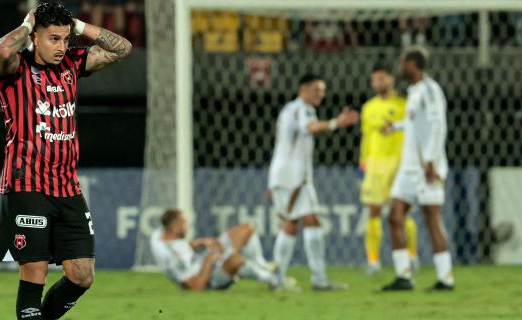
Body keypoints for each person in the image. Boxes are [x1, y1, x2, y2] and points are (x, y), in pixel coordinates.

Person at [0, 2, 132, 320]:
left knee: (82, 275)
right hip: (25, 185)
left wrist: (79, 27)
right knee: (34, 271)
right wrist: (27, 23)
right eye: (53, 38)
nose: (60, 45)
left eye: (64, 39)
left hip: (67, 187)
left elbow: (123, 48)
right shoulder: (15, 69)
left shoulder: (72, 64)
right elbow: (3, 51)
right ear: (34, 36)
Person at [268, 73, 359, 291]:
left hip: (286, 176)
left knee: (291, 224)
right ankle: (315, 279)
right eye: (317, 90)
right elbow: (310, 127)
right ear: (303, 89)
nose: (322, 94)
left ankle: (278, 278)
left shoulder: (295, 109)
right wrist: (337, 122)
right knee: (309, 222)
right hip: (292, 177)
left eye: (323, 90)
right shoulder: (300, 109)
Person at [382, 47, 454, 292]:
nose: (400, 67)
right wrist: (397, 126)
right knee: (394, 216)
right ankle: (404, 276)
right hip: (409, 167)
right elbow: (417, 124)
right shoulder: (414, 92)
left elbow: (438, 126)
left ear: (413, 64)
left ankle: (446, 278)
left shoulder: (431, 90)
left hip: (427, 166)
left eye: (403, 62)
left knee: (431, 219)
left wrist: (432, 160)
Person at [359, 62, 418, 275]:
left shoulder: (404, 105)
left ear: (391, 80)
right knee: (373, 212)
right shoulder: (368, 108)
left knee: (401, 213)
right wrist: (363, 161)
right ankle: (373, 261)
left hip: (399, 162)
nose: (377, 83)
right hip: (375, 164)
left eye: (381, 78)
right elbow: (366, 137)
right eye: (374, 79)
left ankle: (411, 257)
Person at [151, 209, 279, 291]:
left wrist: (201, 242)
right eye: (184, 222)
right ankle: (272, 279)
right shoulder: (174, 259)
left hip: (206, 259)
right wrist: (208, 261)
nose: (188, 225)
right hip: (209, 279)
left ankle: (262, 265)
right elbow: (196, 287)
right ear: (174, 227)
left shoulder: (159, 235)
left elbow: (179, 246)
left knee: (247, 228)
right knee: (235, 260)